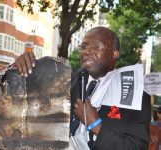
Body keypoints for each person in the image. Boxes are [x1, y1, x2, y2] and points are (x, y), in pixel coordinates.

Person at [14, 26, 151, 149]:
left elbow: (136, 147)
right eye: (84, 47)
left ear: (115, 53)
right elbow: (29, 99)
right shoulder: (66, 79)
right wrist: (21, 68)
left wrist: (96, 125)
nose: (87, 51)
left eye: (97, 47)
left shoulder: (135, 95)